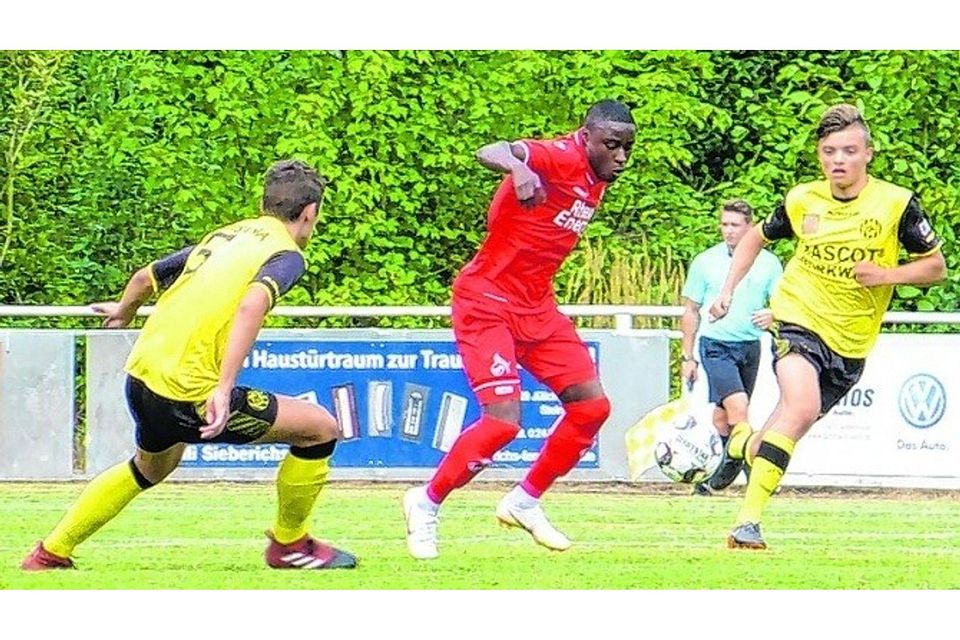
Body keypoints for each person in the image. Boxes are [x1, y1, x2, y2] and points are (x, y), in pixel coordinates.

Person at [22, 159, 357, 571]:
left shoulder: (226, 236)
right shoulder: (285, 254)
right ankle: (289, 544)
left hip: (142, 376)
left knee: (149, 468)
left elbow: (146, 277)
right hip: (188, 392)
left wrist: (125, 310)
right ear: (310, 213)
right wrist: (223, 388)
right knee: (320, 429)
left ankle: (51, 551)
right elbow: (252, 304)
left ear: (264, 204)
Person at [403, 99, 637, 559]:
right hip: (486, 301)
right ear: (585, 136)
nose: (621, 157)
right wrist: (518, 168)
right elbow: (491, 150)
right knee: (503, 422)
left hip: (537, 307)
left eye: (628, 148)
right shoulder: (560, 156)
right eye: (612, 145)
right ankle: (425, 503)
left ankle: (524, 501)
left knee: (592, 408)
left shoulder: (597, 176)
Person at [709, 104, 947, 549]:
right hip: (797, 317)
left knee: (771, 440)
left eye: (849, 151)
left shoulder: (896, 204)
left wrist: (887, 275)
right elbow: (757, 236)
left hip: (852, 340)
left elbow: (936, 267)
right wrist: (728, 290)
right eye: (829, 151)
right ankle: (747, 523)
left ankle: (740, 442)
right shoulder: (803, 199)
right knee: (800, 408)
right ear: (820, 155)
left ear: (868, 154)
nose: (839, 160)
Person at [680, 199, 782, 496]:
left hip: (749, 346)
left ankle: (711, 481)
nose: (728, 230)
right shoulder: (705, 261)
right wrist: (687, 357)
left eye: (735, 225)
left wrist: (773, 314)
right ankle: (755, 475)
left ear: (750, 227)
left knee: (723, 417)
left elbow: (781, 302)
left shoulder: (769, 263)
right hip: (716, 345)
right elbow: (691, 310)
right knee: (739, 410)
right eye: (724, 224)